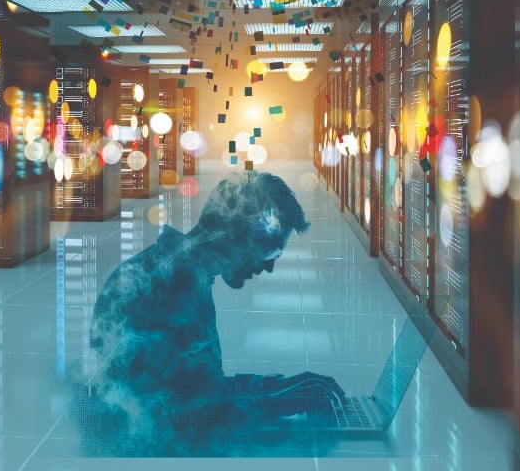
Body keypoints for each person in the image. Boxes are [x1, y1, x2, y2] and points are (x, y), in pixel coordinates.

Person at [80, 171, 345, 455]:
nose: (269, 268)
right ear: (240, 233)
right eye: (270, 253)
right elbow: (190, 417)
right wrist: (278, 401)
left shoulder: (174, 270)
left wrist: (273, 387)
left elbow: (197, 392)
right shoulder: (177, 286)